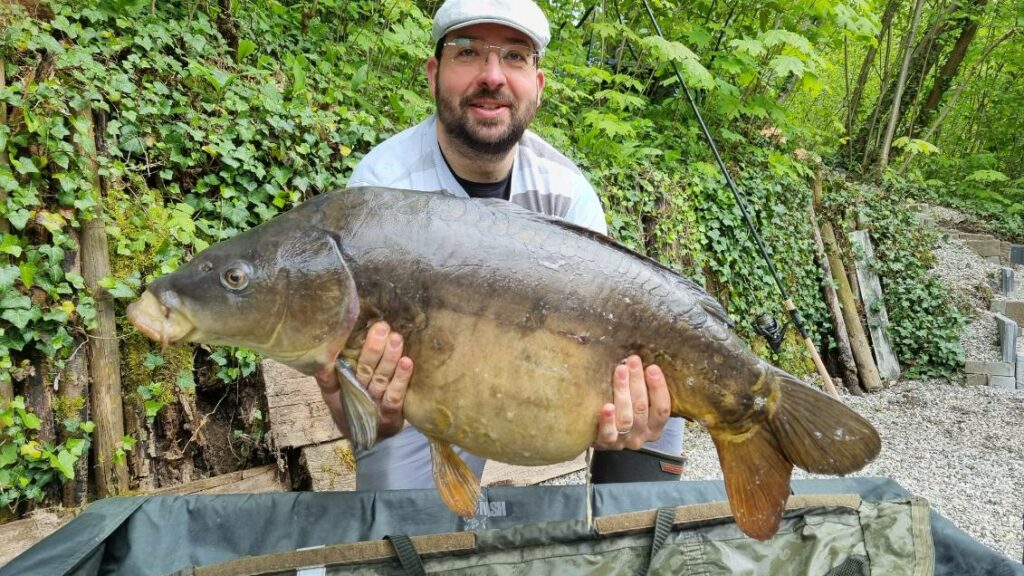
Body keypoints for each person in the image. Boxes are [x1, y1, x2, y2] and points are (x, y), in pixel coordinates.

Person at [340, 0, 685, 491]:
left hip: (547, 379)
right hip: (425, 387)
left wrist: (620, 413)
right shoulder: (382, 191)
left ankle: (626, 532)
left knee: (657, 386)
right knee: (403, 521)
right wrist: (375, 405)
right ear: (434, 74)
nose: (492, 75)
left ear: (537, 87)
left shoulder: (566, 193)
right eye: (467, 52)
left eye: (515, 56)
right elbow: (353, 398)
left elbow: (614, 325)